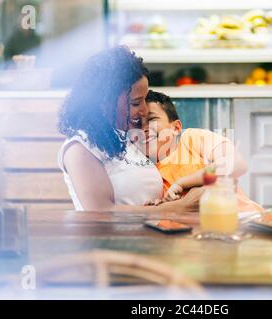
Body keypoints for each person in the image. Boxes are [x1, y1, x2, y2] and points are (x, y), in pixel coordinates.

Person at [57, 46, 202, 212]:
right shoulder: (80, 148)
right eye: (135, 103)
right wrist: (181, 206)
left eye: (144, 100)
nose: (144, 110)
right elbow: (102, 212)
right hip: (110, 238)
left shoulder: (125, 136)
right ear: (105, 101)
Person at [137, 90, 263, 212]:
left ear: (176, 127)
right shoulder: (151, 174)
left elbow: (236, 164)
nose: (143, 128)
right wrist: (162, 206)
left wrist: (181, 183)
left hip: (247, 219)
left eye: (152, 119)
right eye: (137, 124)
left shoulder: (193, 139)